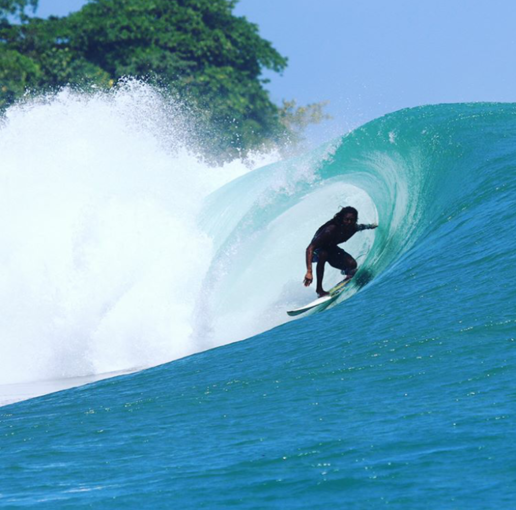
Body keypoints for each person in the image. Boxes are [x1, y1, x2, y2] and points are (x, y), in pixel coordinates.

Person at [304, 206, 378, 297]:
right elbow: (310, 248)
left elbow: (361, 227)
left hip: (330, 248)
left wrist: (371, 226)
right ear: (342, 218)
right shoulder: (330, 229)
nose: (349, 222)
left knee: (352, 264)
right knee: (323, 254)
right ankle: (319, 289)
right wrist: (309, 272)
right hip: (315, 252)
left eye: (352, 220)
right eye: (347, 219)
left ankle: (346, 272)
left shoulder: (352, 228)